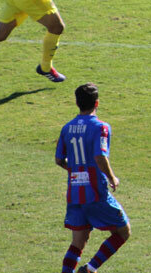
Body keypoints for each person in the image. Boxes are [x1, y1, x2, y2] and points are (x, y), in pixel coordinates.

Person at [55, 83, 131, 273]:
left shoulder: (67, 128)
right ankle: (90, 268)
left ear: (77, 103)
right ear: (97, 103)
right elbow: (100, 156)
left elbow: (59, 159)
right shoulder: (101, 127)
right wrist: (112, 177)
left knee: (78, 242)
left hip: (74, 194)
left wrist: (75, 171)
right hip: (96, 194)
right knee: (123, 231)